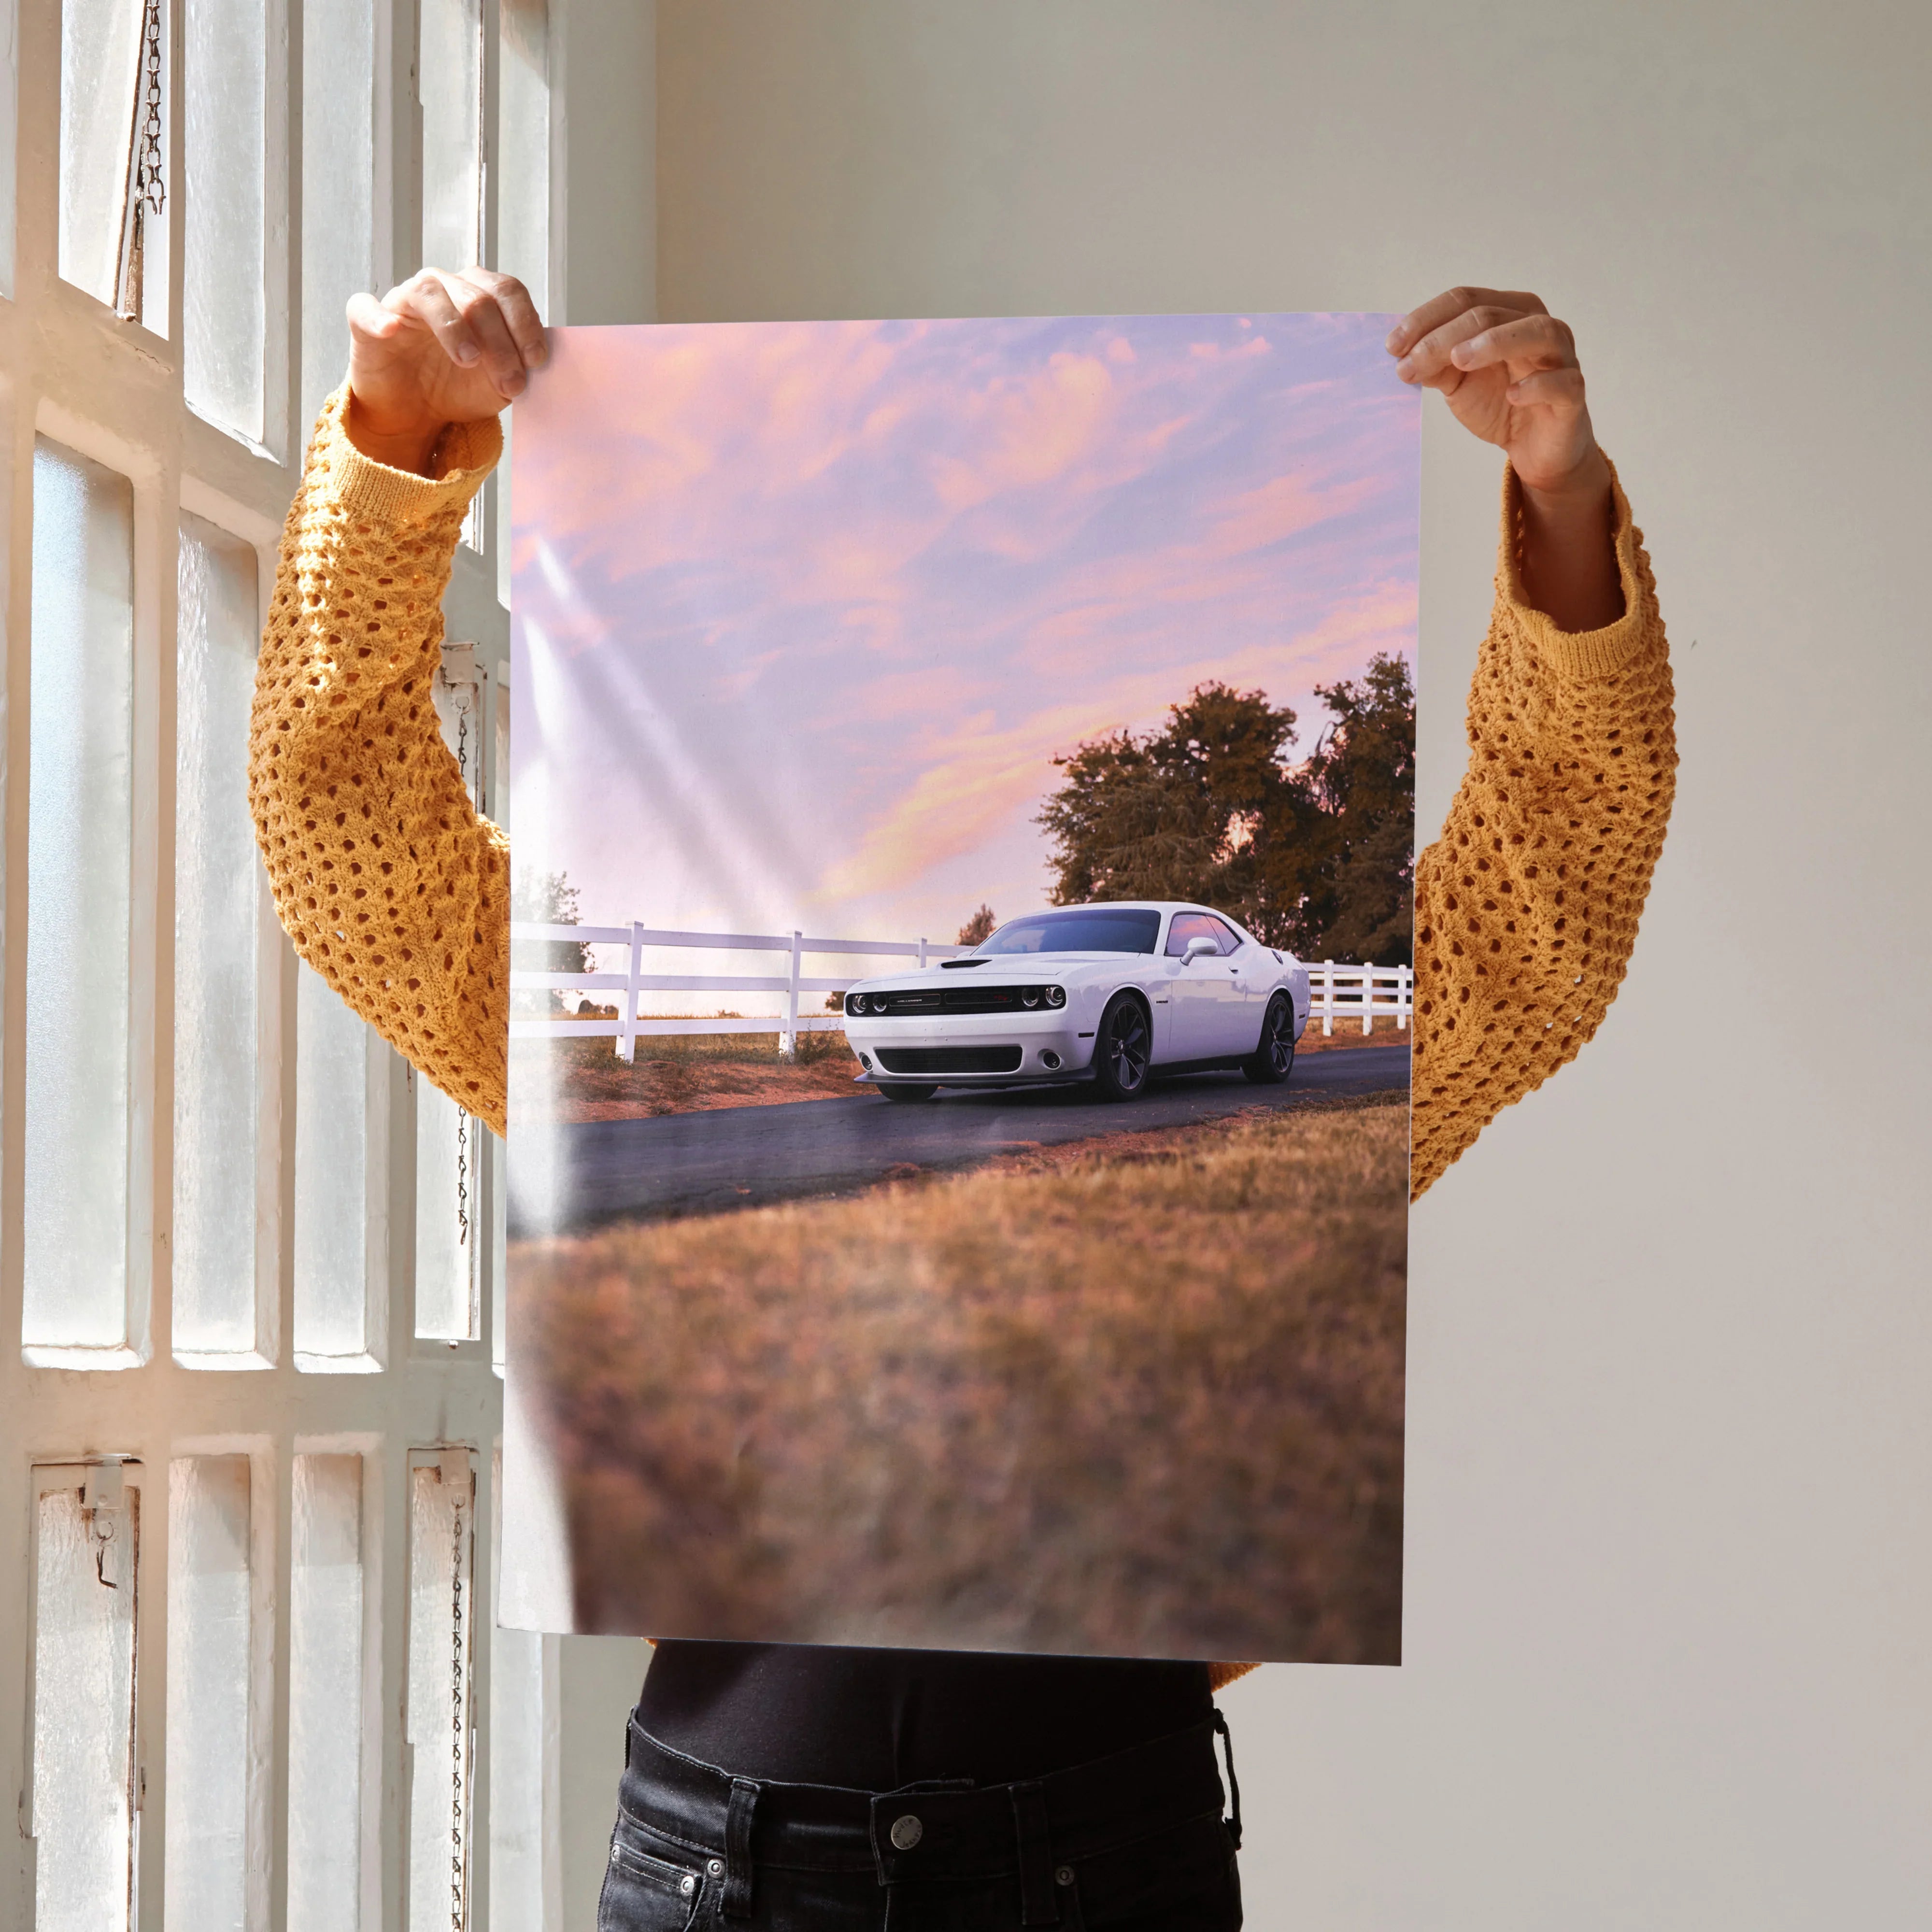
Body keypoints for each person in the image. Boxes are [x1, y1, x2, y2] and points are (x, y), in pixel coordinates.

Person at [249, 269, 1674, 1929]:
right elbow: (350, 848)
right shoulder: (608, 1080)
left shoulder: (1306, 1089)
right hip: (724, 1866)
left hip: (1102, 1855)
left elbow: (1543, 911)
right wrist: (394, 445)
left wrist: (1562, 500)